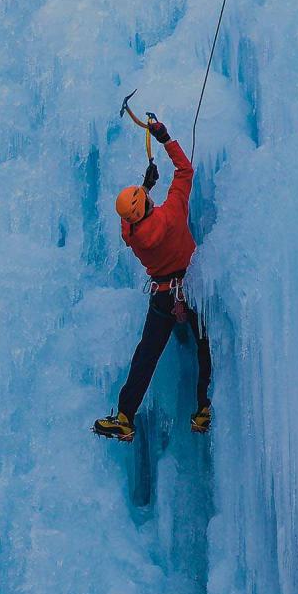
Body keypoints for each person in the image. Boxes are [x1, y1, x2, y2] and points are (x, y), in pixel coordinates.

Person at [92, 110, 212, 442]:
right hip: (191, 287)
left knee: (146, 355)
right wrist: (164, 137)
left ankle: (125, 417)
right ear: (146, 206)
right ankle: (203, 409)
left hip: (163, 296)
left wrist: (145, 185)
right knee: (204, 347)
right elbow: (185, 170)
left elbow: (130, 219)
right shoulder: (172, 213)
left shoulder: (131, 235)